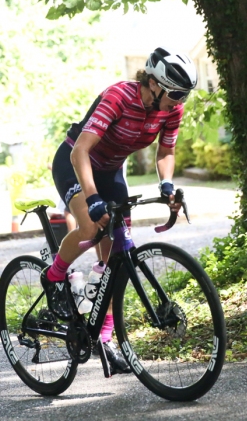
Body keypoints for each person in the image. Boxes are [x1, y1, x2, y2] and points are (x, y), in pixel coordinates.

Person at [42, 47, 197, 372]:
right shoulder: (119, 97)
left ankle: (105, 339)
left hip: (111, 170)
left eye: (184, 94)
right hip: (76, 162)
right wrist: (93, 196)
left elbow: (165, 151)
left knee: (115, 260)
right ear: (154, 84)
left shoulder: (171, 111)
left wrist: (166, 185)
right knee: (89, 228)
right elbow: (81, 150)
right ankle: (54, 276)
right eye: (175, 92)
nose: (180, 100)